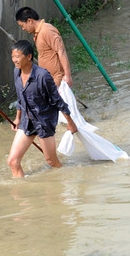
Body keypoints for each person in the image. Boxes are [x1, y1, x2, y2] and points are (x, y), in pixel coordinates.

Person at [8, 40, 78, 178]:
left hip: (43, 122)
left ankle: (65, 180)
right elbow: (20, 98)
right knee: (13, 161)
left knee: (51, 161)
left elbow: (57, 101)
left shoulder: (42, 76)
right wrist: (17, 118)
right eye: (13, 56)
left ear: (28, 57)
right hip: (26, 121)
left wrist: (70, 122)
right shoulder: (16, 72)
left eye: (18, 56)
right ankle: (22, 195)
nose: (14, 60)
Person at [15, 7, 73, 87]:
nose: (23, 29)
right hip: (48, 79)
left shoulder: (47, 30)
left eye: (22, 25)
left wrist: (67, 75)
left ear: (29, 21)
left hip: (57, 80)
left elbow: (61, 51)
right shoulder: (38, 33)